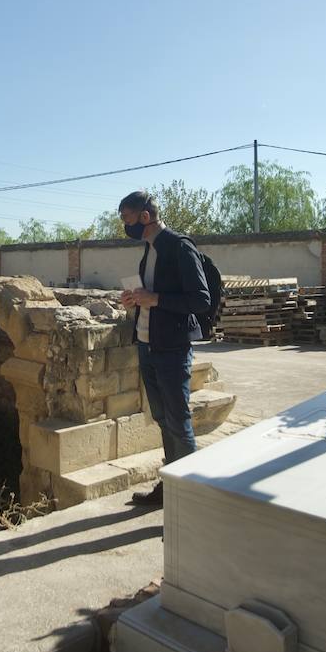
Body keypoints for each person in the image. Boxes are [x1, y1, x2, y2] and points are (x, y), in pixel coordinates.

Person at [117, 190, 211, 506]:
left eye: (127, 219)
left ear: (145, 216)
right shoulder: (149, 250)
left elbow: (201, 299)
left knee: (179, 423)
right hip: (147, 345)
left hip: (172, 350)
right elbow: (150, 296)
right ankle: (171, 488)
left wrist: (155, 299)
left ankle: (190, 500)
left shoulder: (180, 247)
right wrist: (135, 299)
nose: (125, 226)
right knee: (162, 419)